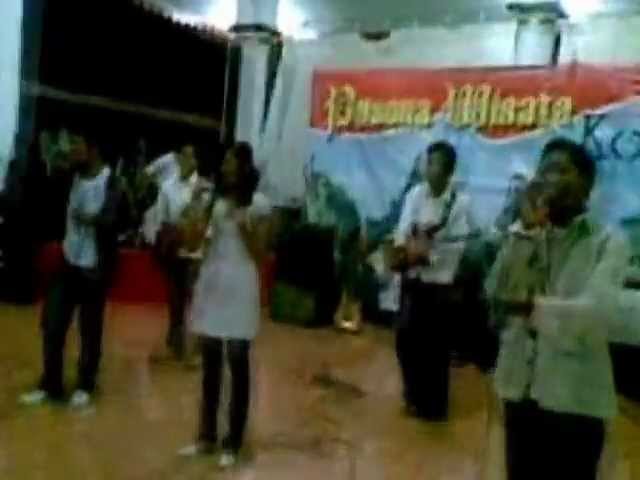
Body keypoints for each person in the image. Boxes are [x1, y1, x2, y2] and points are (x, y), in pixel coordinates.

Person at [485, 138, 640, 480]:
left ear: (587, 183)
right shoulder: (526, 233)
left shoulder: (608, 241)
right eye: (544, 171)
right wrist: (525, 232)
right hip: (519, 391)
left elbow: (594, 315)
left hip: (574, 401)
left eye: (560, 171)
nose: (549, 180)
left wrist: (530, 308)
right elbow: (496, 291)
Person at [178, 142, 272, 468]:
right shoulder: (213, 200)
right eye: (225, 162)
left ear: (244, 167)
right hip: (214, 281)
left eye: (232, 162)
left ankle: (233, 440)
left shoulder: (260, 204)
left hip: (241, 284)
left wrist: (243, 223)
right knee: (211, 363)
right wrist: (195, 208)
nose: (226, 167)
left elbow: (261, 254)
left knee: (238, 360)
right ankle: (206, 436)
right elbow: (192, 241)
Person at [20, 131, 128, 409]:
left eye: (77, 146)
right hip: (68, 262)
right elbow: (49, 180)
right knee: (52, 324)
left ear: (93, 150)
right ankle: (51, 384)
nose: (72, 151)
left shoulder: (112, 182)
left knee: (89, 330)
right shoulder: (71, 176)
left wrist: (92, 219)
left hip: (95, 267)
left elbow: (115, 220)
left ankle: (85, 385)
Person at [391, 141, 472, 421]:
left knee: (434, 348)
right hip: (412, 278)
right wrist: (407, 250)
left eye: (436, 164)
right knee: (406, 341)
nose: (430, 169)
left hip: (439, 285)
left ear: (449, 171)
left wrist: (429, 256)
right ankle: (412, 395)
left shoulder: (459, 203)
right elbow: (403, 229)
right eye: (428, 163)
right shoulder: (415, 194)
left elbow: (458, 246)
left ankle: (433, 407)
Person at [155, 145, 212, 359]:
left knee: (195, 298)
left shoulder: (205, 187)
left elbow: (207, 222)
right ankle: (176, 339)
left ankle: (197, 346)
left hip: (196, 252)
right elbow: (162, 219)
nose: (187, 161)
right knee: (175, 298)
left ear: (197, 161)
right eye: (183, 156)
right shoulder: (167, 187)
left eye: (191, 156)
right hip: (174, 250)